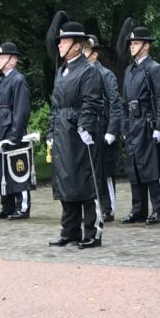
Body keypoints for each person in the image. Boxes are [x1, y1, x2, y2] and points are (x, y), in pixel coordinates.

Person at [47, 18, 104, 249]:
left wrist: (84, 126)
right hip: (62, 131)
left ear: (77, 45)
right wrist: (51, 130)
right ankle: (69, 229)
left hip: (78, 132)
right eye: (60, 41)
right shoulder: (62, 71)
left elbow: (91, 102)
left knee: (86, 182)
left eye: (65, 41)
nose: (60, 45)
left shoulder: (88, 71)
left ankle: (92, 231)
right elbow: (55, 104)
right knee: (66, 181)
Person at [118, 22, 160, 225]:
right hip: (132, 122)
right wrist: (124, 125)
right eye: (131, 43)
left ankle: (156, 209)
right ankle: (138, 208)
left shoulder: (154, 69)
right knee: (134, 167)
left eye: (136, 43)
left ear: (146, 46)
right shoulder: (129, 70)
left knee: (151, 168)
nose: (132, 46)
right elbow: (124, 100)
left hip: (147, 122)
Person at [0, 41, 33, 220]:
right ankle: (7, 205)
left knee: (18, 168)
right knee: (2, 168)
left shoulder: (18, 80)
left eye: (3, 57)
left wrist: (15, 134)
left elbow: (21, 109)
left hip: (12, 130)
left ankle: (23, 206)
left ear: (13, 60)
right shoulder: (0, 82)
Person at [83, 34, 123, 222]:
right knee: (89, 171)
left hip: (103, 127)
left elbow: (115, 103)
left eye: (87, 50)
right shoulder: (82, 74)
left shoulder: (106, 75)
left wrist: (112, 130)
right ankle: (93, 207)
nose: (84, 54)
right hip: (88, 129)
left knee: (105, 171)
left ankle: (108, 208)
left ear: (94, 54)